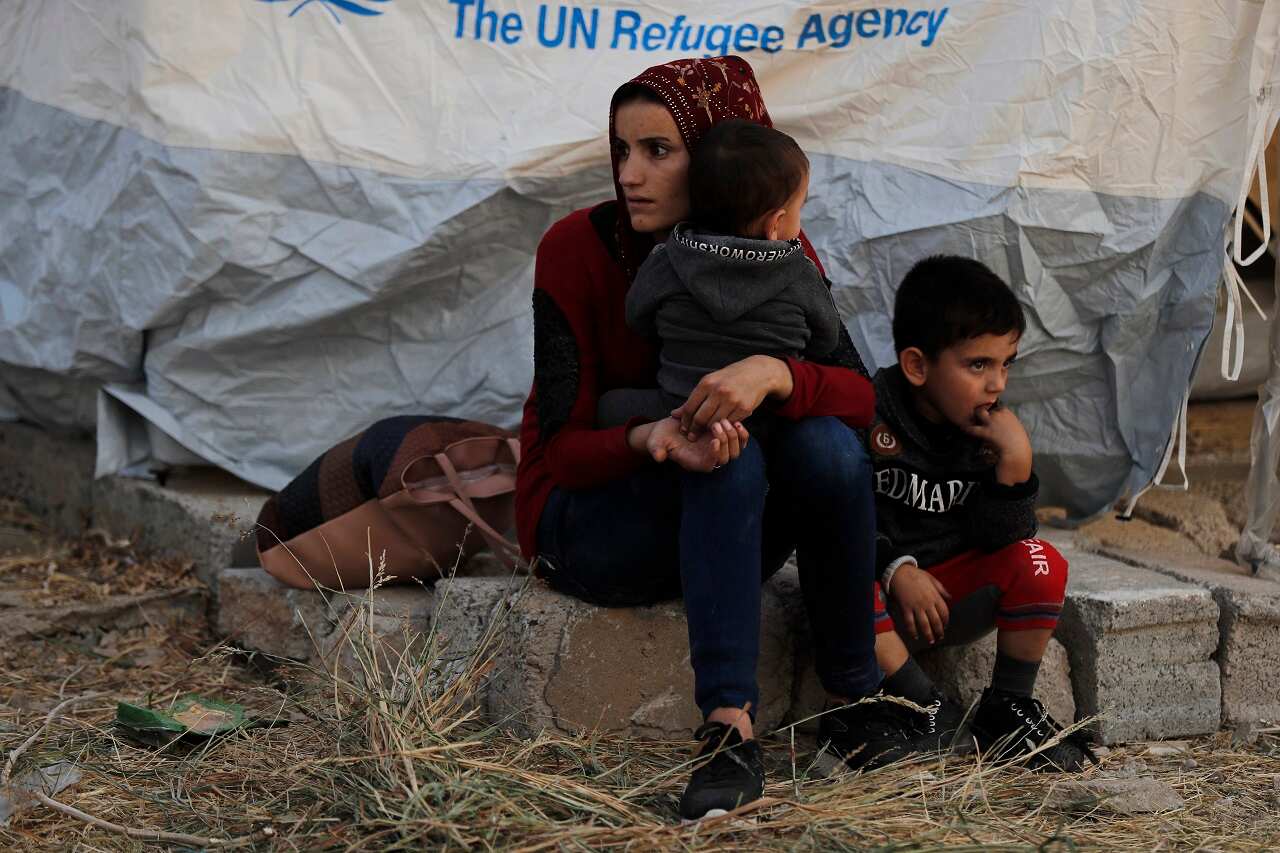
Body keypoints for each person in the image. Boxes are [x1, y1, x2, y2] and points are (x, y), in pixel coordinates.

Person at [515, 56, 923, 822]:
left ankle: (852, 699)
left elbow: (864, 402)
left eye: (657, 151)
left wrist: (775, 371)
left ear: (713, 156)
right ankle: (728, 729)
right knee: (723, 459)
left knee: (824, 449)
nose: (630, 174)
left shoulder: (780, 247)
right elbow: (560, 452)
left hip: (719, 517)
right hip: (592, 519)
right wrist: (656, 434)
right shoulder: (574, 248)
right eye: (621, 150)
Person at [867, 255, 1094, 771]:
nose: (997, 384)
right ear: (917, 366)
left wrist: (1015, 467)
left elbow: (1003, 543)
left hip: (950, 598)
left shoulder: (988, 431)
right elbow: (841, 520)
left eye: (1006, 363)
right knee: (834, 568)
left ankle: (1007, 707)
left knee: (1041, 560)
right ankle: (923, 705)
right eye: (978, 365)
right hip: (878, 601)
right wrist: (894, 569)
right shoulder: (869, 413)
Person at [595, 118, 841, 439]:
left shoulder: (667, 259)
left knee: (608, 406)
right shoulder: (802, 272)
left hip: (679, 412)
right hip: (769, 417)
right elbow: (827, 340)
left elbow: (636, 318)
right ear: (775, 224)